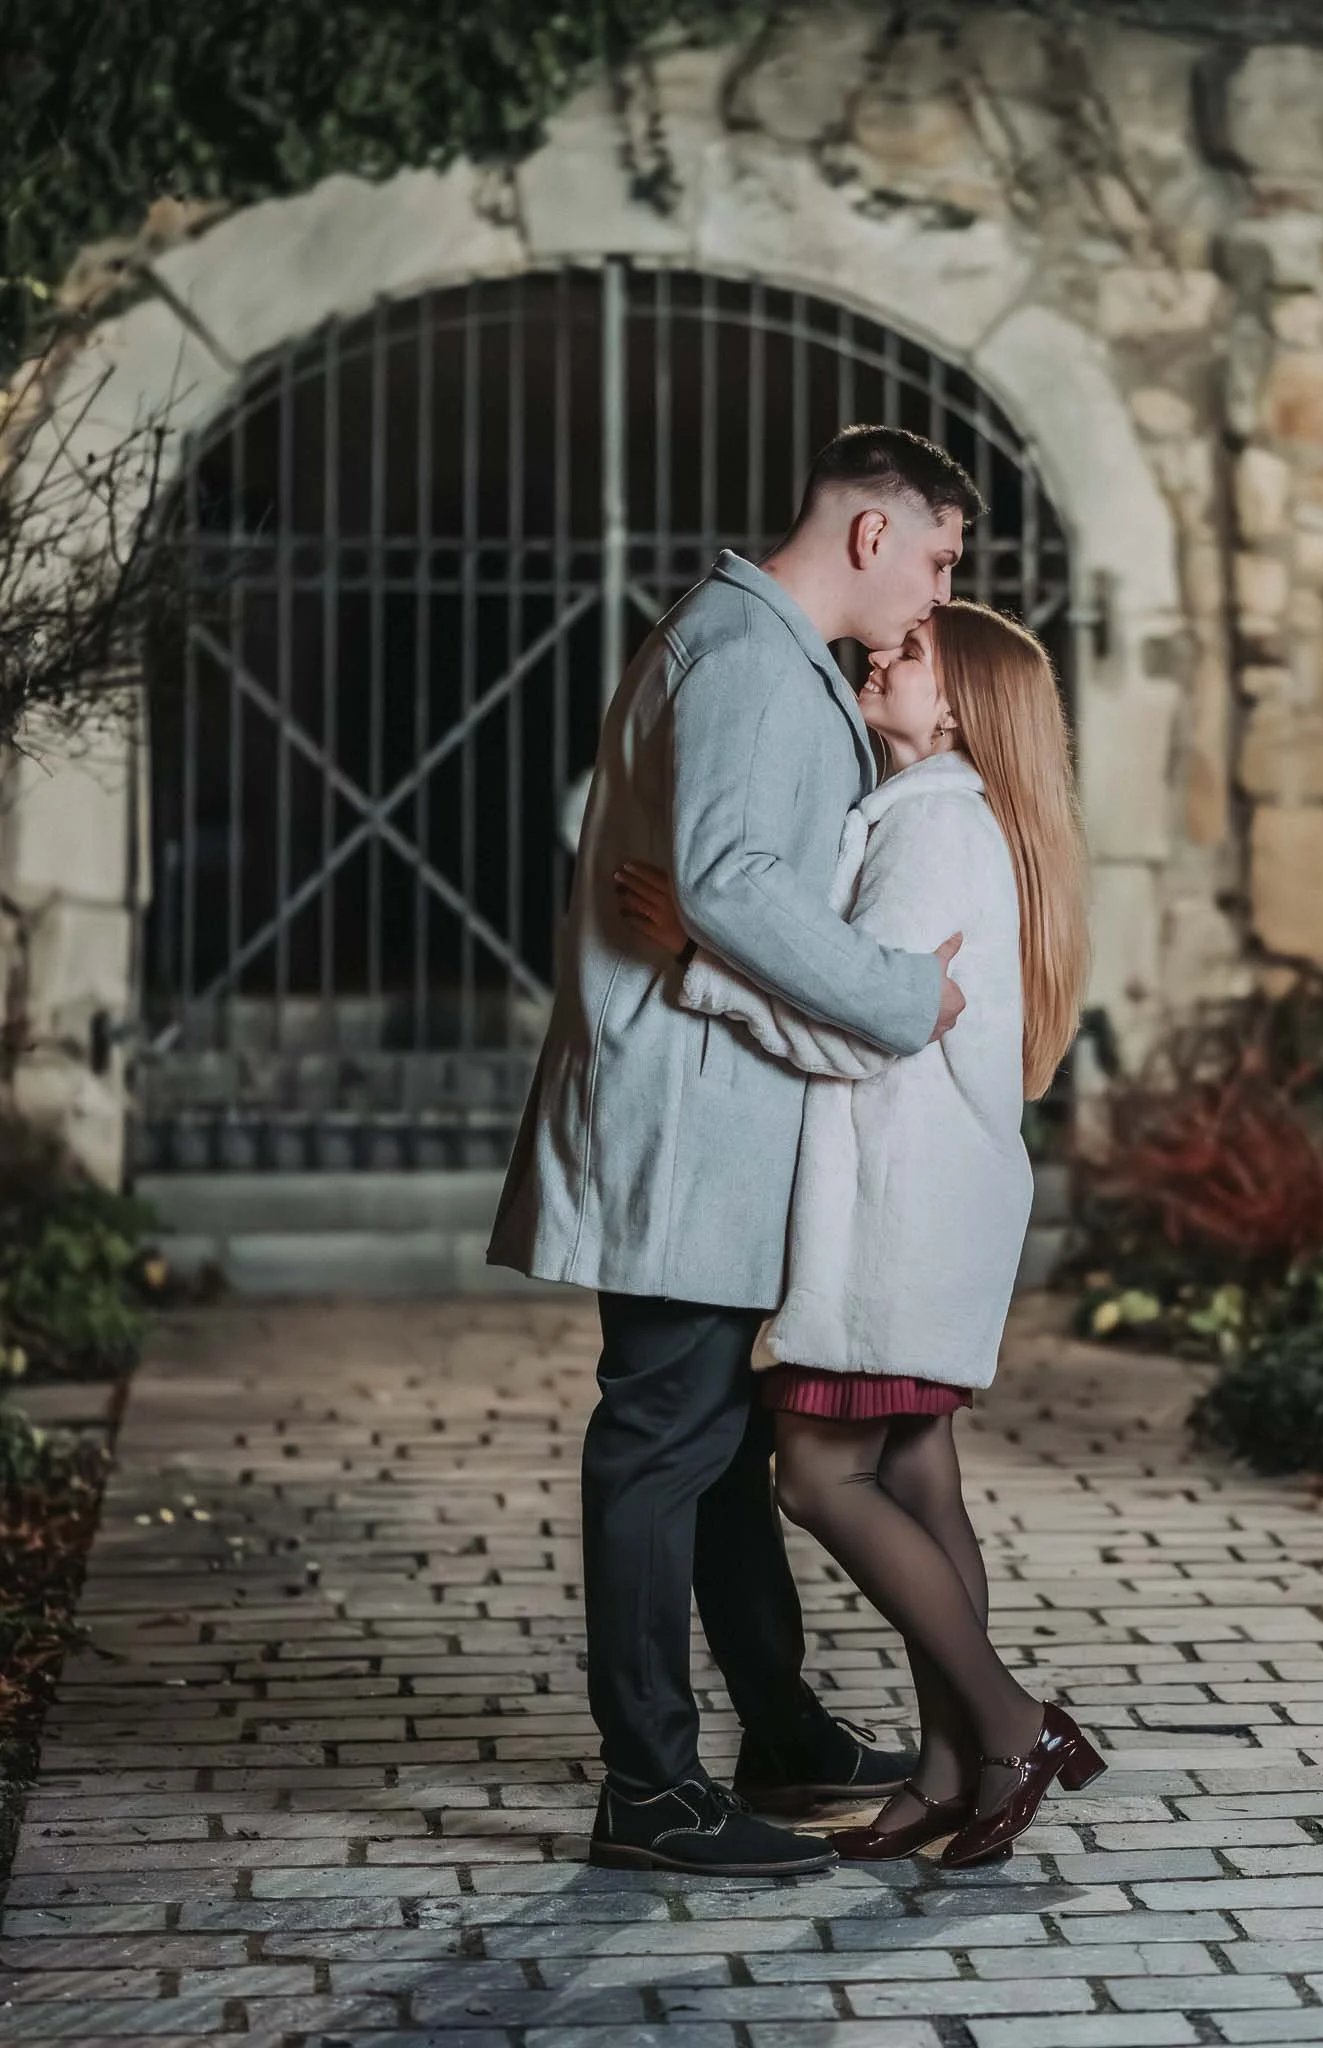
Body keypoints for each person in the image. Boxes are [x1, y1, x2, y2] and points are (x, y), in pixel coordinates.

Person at [487, 427, 982, 1876]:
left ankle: (782, 1735)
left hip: (702, 1112)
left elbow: (716, 883)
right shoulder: (761, 658)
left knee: (712, 1448)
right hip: (689, 1119)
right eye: (939, 560)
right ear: (872, 534)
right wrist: (904, 995)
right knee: (661, 1446)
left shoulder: (737, 642)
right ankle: (650, 1790)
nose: (937, 598)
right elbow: (732, 881)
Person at [616, 600, 1104, 1869]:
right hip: (930, 1197)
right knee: (922, 1473)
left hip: (892, 1208)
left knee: (819, 1475)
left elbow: (863, 1021)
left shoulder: (934, 823)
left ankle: (1009, 1721)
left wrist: (698, 954)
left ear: (956, 709)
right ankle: (953, 1770)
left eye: (914, 653)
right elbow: (878, 994)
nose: (881, 651)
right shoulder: (936, 814)